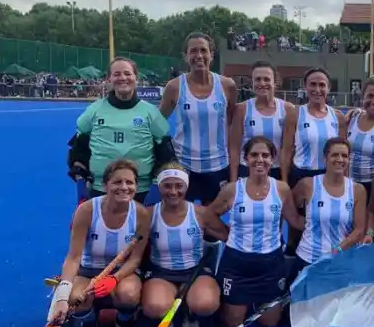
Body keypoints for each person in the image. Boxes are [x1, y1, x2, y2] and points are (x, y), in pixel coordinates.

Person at [48, 159, 151, 327]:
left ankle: (124, 321)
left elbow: (135, 260)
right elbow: (73, 257)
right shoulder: (86, 210)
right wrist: (62, 296)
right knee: (74, 297)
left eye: (129, 182)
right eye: (117, 182)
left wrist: (115, 279)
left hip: (122, 272)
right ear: (105, 185)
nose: (124, 187)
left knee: (129, 294)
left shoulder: (141, 214)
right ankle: (89, 322)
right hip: (87, 271)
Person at [207, 136, 304, 327]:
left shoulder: (282, 189)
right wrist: (227, 236)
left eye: (265, 155)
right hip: (237, 264)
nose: (260, 160)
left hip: (270, 264)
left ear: (272, 159)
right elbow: (209, 216)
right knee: (233, 323)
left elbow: (294, 220)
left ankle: (257, 301)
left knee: (270, 323)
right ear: (246, 159)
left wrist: (325, 224)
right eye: (254, 155)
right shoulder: (232, 190)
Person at [67, 58, 175, 204]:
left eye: (127, 73)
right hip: (101, 190)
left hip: (141, 192)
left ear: (136, 78)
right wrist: (81, 184)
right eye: (117, 74)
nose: (123, 78)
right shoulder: (93, 111)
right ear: (109, 79)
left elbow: (166, 154)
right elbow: (78, 151)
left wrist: (156, 189)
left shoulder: (151, 113)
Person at [141, 163, 228, 327]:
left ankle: (190, 309)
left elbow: (229, 237)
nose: (173, 192)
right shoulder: (148, 214)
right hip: (161, 273)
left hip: (195, 272)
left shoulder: (201, 213)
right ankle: (167, 310)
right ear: (159, 187)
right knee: (154, 307)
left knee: (206, 304)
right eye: (167, 186)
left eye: (178, 186)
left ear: (186, 187)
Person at [159, 33, 239, 205]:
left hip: (218, 167)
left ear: (212, 54)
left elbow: (233, 125)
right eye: (193, 51)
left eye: (203, 50)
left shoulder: (227, 86)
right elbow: (158, 123)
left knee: (213, 218)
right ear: (185, 56)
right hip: (183, 166)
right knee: (180, 216)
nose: (199, 55)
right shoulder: (174, 87)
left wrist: (233, 175)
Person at [281, 67, 348, 255]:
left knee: (329, 226)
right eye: (313, 84)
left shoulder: (338, 117)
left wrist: (346, 181)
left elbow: (344, 152)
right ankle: (293, 264)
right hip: (301, 176)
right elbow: (286, 150)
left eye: (322, 85)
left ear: (328, 88)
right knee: (297, 229)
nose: (317, 89)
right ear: (305, 87)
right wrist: (285, 182)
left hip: (329, 176)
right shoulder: (295, 114)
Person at [293, 138, 367, 271]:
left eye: (344, 156)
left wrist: (337, 250)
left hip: (339, 260)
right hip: (306, 259)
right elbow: (290, 209)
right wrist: (307, 224)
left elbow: (359, 230)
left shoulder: (358, 190)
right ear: (325, 158)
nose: (340, 159)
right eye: (334, 155)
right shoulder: (307, 184)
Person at [228, 61, 293, 182]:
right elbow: (234, 149)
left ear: (275, 82)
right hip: (248, 170)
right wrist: (233, 181)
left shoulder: (287, 109)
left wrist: (284, 180)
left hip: (275, 170)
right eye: (257, 79)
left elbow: (286, 149)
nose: (262, 83)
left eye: (267, 79)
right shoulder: (242, 109)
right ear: (252, 83)